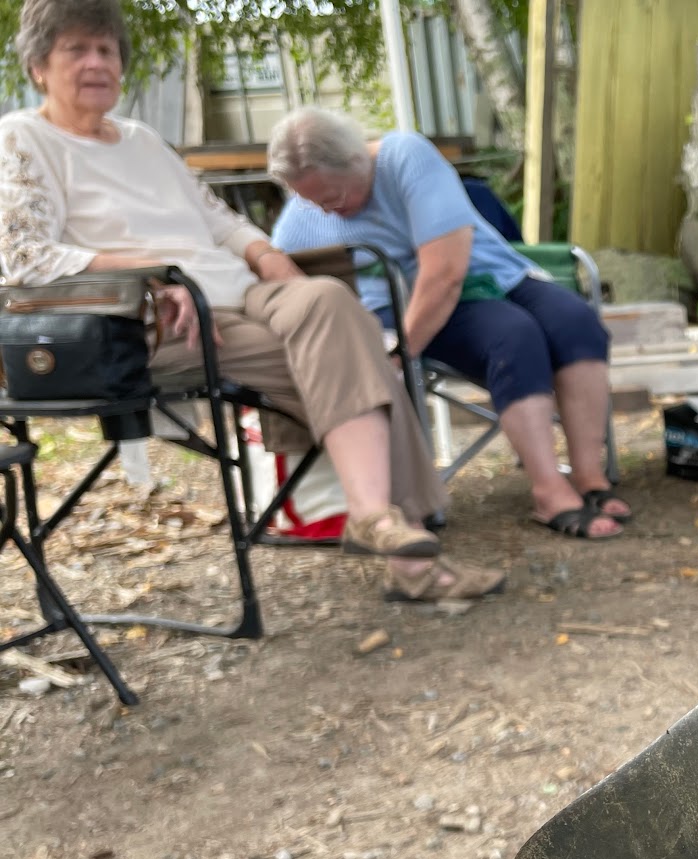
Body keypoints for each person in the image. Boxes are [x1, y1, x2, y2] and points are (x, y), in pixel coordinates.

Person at [0, 0, 503, 604]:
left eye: (106, 50)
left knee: (325, 296)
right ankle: (405, 547)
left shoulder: (141, 140)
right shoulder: (24, 139)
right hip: (156, 321)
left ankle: (377, 521)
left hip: (240, 291)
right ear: (38, 66)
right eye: (76, 50)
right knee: (360, 359)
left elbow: (218, 219)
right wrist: (150, 275)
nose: (96, 63)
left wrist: (268, 256)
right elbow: (23, 257)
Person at [267, 108, 628, 541]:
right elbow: (278, 277)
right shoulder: (304, 214)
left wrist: (401, 354)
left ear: (358, 158)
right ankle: (549, 490)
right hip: (401, 306)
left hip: (476, 278)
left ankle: (589, 477)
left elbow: (445, 274)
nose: (327, 210)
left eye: (334, 195)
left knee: (576, 322)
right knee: (514, 337)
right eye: (312, 202)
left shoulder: (405, 157)